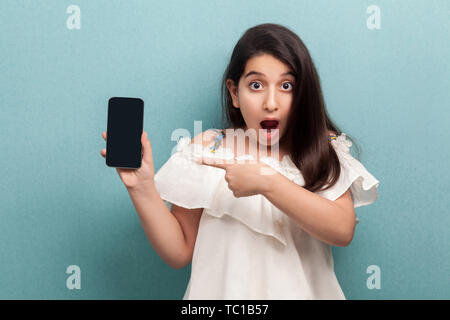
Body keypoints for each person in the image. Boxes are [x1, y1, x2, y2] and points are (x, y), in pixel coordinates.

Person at [100, 23, 380, 299]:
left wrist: (266, 182)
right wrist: (142, 188)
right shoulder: (209, 149)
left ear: (302, 92)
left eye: (286, 85)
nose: (271, 102)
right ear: (235, 92)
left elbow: (342, 230)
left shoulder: (321, 148)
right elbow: (179, 251)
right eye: (256, 85)